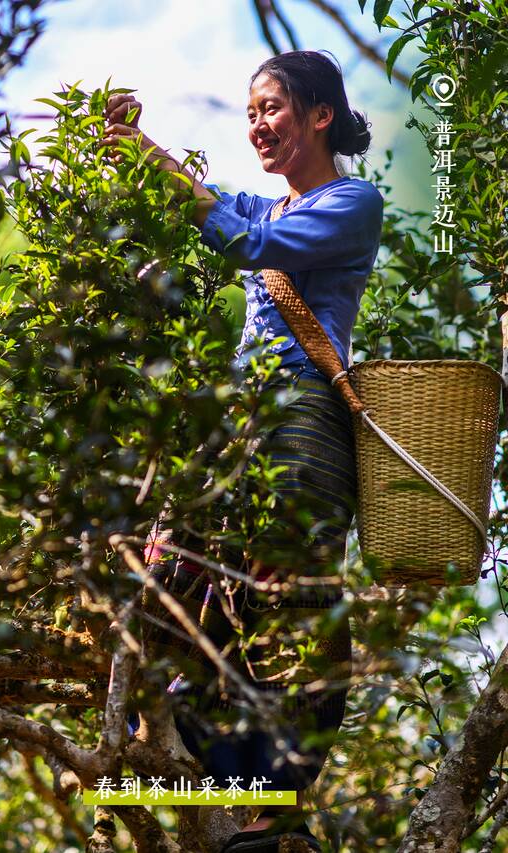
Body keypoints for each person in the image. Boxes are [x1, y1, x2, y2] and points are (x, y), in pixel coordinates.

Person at [103, 50, 383, 852]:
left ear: (319, 114)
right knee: (178, 586)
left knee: (290, 598)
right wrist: (133, 144)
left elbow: (243, 240)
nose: (258, 125)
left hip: (301, 417)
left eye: (271, 107)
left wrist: (178, 183)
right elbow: (220, 205)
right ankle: (234, 776)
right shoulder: (269, 205)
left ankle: (277, 805)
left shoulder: (351, 203)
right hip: (239, 421)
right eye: (250, 113)